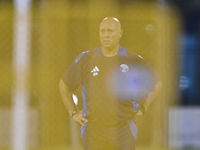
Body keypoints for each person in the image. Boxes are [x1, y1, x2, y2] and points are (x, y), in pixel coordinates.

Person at [59, 17, 162, 150]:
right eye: (102, 31)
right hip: (93, 130)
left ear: (120, 33)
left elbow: (156, 85)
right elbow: (64, 85)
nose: (106, 35)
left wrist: (144, 108)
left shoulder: (132, 59)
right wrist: (73, 112)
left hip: (123, 129)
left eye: (110, 31)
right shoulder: (86, 59)